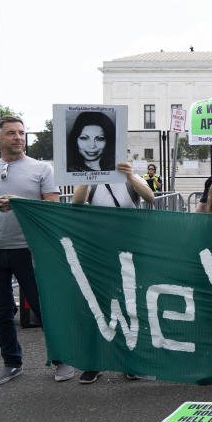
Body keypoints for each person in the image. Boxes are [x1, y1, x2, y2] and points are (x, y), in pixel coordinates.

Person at [0, 116, 74, 385]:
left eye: (21, 133)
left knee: (45, 307)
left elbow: (52, 209)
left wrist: (20, 203)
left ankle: (61, 359)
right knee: (1, 311)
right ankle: (11, 363)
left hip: (28, 250)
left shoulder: (41, 169)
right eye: (11, 133)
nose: (18, 137)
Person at [71, 162, 156, 384]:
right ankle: (95, 362)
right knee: (98, 305)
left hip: (129, 250)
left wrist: (129, 176)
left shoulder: (130, 178)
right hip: (99, 250)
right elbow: (77, 201)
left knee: (130, 305)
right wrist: (89, 176)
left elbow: (150, 197)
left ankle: (131, 361)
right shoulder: (94, 179)